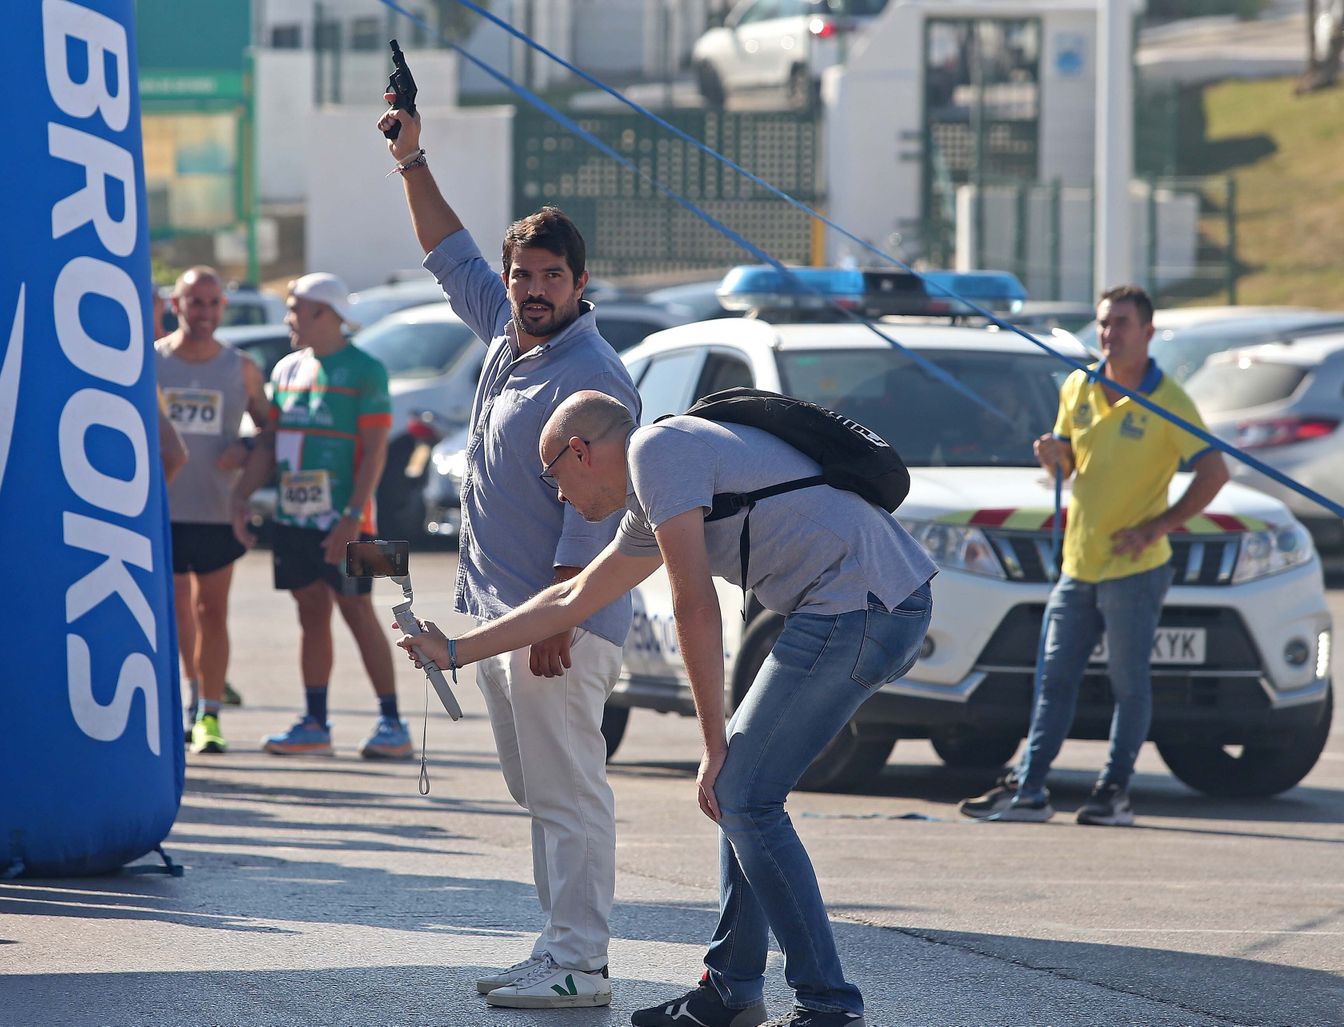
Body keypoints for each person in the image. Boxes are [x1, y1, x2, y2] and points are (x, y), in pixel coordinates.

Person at [398, 391, 936, 1027]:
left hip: (864, 605)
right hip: (860, 604)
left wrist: (712, 746)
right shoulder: (656, 486)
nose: (561, 498)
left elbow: (694, 605)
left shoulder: (659, 451)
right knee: (743, 796)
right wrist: (456, 649)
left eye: (557, 480)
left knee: (742, 794)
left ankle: (828, 1006)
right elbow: (573, 596)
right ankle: (732, 990)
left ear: (581, 452)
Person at [377, 93, 642, 1010]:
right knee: (541, 792)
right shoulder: (503, 334)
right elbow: (445, 247)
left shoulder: (593, 374)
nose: (534, 288)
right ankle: (562, 945)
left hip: (558, 622)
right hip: (503, 621)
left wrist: (560, 620)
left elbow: (599, 509)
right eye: (523, 272)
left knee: (569, 794)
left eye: (551, 275)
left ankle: (583, 961)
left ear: (579, 282)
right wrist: (412, 160)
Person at [960, 285, 1230, 827]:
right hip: (1078, 564)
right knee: (1053, 680)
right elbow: (1070, 467)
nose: (1110, 334)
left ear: (1148, 333)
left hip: (1135, 570)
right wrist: (1053, 457)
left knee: (1129, 687)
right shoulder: (1078, 385)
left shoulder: (1169, 399)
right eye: (1105, 323)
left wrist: (1157, 527)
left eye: (1122, 323)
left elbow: (1215, 472)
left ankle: (1113, 792)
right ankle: (1031, 789)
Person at [233, 272, 412, 761]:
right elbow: (270, 442)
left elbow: (377, 452)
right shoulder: (287, 369)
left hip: (359, 519)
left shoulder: (368, 370)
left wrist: (352, 516)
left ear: (322, 312)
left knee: (360, 612)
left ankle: (392, 724)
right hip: (295, 518)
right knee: (309, 612)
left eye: (294, 308)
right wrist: (242, 497)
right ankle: (315, 723)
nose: (288, 317)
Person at [155, 267, 268, 754]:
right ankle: (191, 697)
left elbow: (268, 431)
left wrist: (244, 450)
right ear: (175, 306)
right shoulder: (150, 364)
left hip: (217, 508)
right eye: (193, 302)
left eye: (212, 303)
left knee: (211, 609)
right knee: (179, 604)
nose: (203, 313)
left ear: (224, 307)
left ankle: (210, 714)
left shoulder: (239, 367)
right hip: (163, 507)